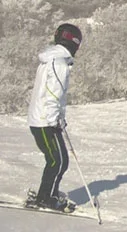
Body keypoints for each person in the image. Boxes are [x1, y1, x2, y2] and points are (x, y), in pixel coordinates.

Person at [27, 23, 82, 213]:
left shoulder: (53, 60)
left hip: (43, 119)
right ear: (74, 42)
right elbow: (53, 94)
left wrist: (59, 117)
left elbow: (55, 95)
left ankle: (48, 192)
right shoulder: (58, 64)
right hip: (44, 121)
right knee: (56, 161)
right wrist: (54, 119)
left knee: (59, 160)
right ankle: (46, 198)